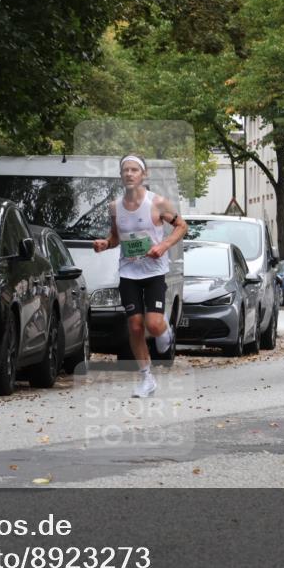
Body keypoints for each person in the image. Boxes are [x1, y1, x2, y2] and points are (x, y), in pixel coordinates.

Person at [93, 154, 188, 398]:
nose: (129, 174)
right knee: (135, 326)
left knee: (153, 325)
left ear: (143, 175)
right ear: (121, 175)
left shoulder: (157, 203)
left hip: (154, 271)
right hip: (128, 272)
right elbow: (115, 237)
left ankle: (164, 328)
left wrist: (163, 246)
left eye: (134, 170)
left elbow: (182, 226)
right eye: (126, 170)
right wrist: (105, 243)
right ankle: (147, 378)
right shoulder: (115, 207)